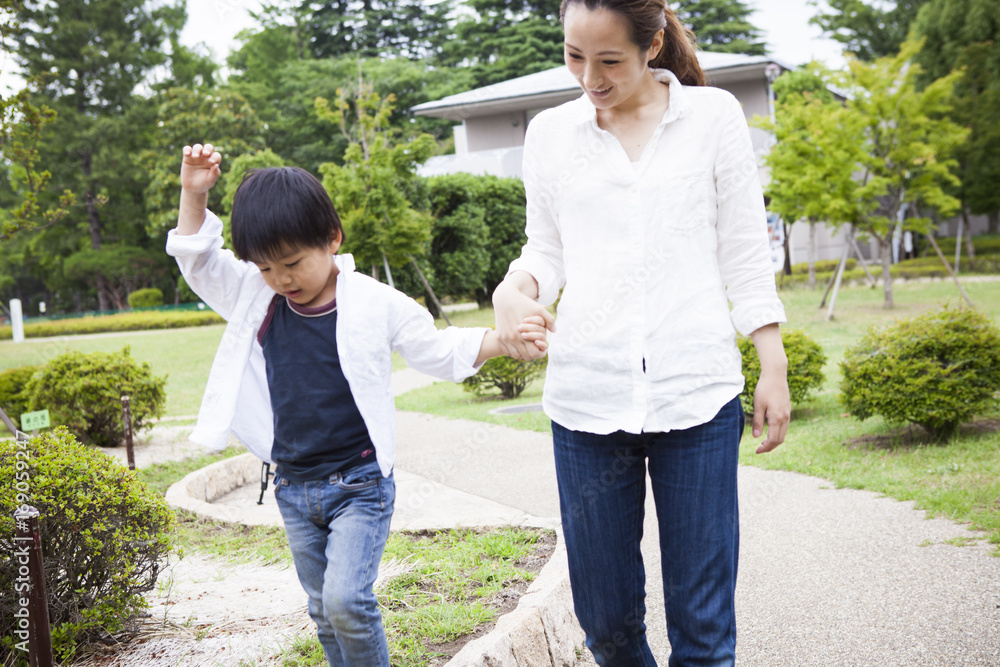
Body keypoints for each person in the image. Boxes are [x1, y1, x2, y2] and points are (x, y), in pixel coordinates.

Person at [491, 1, 791, 665]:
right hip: (586, 404)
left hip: (696, 395)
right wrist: (514, 290)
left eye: (609, 62)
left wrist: (771, 361)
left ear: (653, 44)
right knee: (608, 624)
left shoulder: (712, 119)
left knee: (704, 631)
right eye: (574, 56)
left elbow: (743, 248)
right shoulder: (550, 133)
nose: (589, 77)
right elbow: (545, 249)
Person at [167, 143, 546, 667]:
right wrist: (193, 192)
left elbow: (436, 350)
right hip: (294, 487)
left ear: (332, 238)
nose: (282, 278)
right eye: (267, 266)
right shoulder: (257, 297)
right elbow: (198, 259)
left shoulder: (374, 302)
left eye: (294, 262)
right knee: (323, 610)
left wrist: (501, 341)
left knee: (347, 601)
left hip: (359, 484)